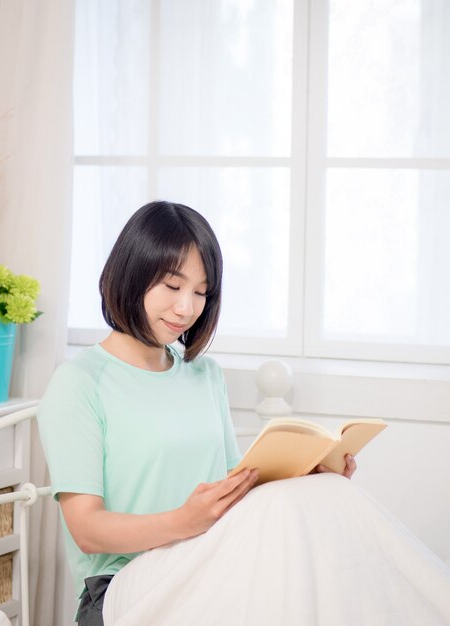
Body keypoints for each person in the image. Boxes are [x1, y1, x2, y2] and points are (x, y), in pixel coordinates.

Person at [38, 200, 450, 626]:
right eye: (172, 286)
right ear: (131, 274)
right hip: (122, 588)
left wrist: (305, 478)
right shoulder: (79, 383)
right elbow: (87, 530)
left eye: (201, 292)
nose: (187, 308)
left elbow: (237, 490)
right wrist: (184, 521)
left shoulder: (204, 376)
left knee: (328, 495)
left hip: (207, 561)